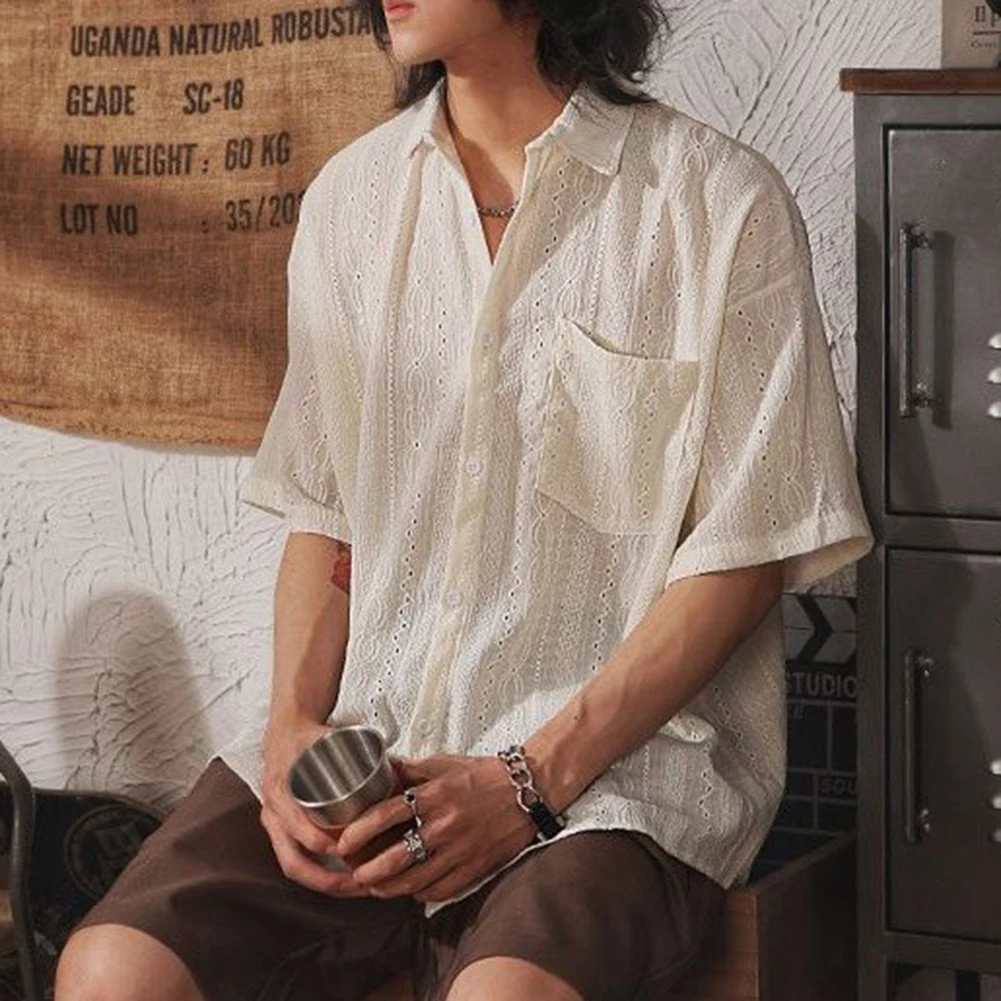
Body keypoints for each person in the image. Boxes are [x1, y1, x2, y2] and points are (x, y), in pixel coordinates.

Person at [55, 1, 873, 999]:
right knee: (109, 968)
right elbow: (327, 511)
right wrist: (289, 731)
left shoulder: (714, 203)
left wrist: (528, 781)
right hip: (372, 755)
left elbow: (745, 554)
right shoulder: (350, 200)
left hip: (608, 788)